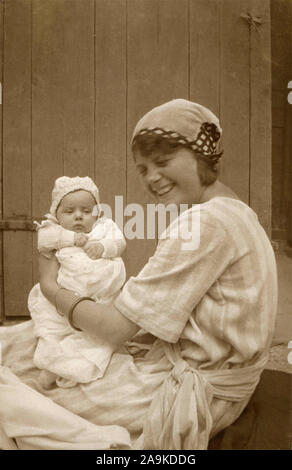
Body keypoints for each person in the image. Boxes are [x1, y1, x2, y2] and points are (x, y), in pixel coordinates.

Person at [0, 99, 278, 450]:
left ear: (202, 157)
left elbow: (116, 328)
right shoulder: (237, 211)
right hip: (223, 378)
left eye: (163, 162)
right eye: (143, 169)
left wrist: (51, 288)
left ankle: (108, 444)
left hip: (194, 396)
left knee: (15, 385)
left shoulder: (203, 223)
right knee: (23, 342)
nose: (152, 178)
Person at [29, 176, 126, 389]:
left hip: (102, 300)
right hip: (63, 303)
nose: (79, 217)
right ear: (56, 214)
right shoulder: (53, 234)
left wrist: (103, 249)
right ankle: (52, 366)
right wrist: (71, 240)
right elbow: (46, 258)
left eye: (86, 210)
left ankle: (66, 368)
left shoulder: (104, 229)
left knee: (95, 341)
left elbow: (120, 244)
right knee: (53, 334)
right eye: (69, 211)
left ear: (97, 212)